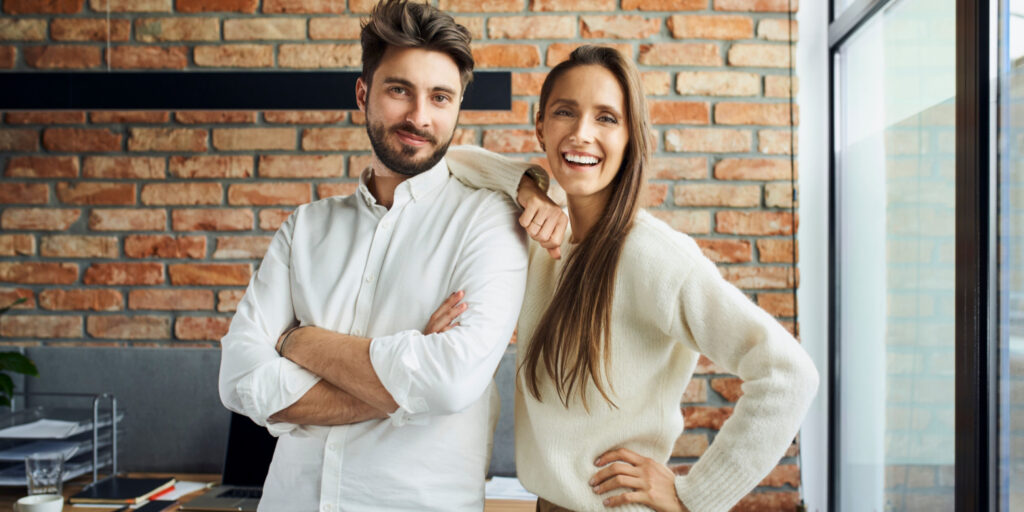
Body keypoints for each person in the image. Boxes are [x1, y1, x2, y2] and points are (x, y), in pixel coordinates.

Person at [443, 46, 819, 512]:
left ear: (630, 137)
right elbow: (449, 160)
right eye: (566, 112)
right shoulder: (546, 232)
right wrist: (527, 184)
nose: (581, 134)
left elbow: (789, 373)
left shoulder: (651, 254)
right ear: (540, 125)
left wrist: (694, 497)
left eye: (606, 118)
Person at [217, 1, 531, 510]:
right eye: (399, 90)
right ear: (364, 93)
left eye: (440, 97)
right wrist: (399, 385)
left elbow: (449, 381)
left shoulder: (488, 223)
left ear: (457, 109)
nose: (419, 116)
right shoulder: (305, 229)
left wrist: (300, 340)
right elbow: (239, 380)